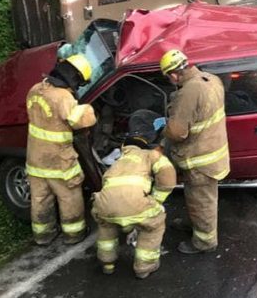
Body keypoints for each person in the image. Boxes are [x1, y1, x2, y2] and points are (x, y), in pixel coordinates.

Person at [91, 110, 176, 279]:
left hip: (103, 203)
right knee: (153, 225)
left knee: (107, 227)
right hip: (135, 204)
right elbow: (168, 179)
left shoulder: (119, 159)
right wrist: (156, 200)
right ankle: (144, 266)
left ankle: (107, 263)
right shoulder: (152, 155)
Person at [160, 48, 229, 254]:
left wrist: (163, 129)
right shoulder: (211, 79)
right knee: (197, 199)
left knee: (202, 202)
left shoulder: (188, 93)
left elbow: (176, 132)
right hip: (213, 154)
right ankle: (195, 225)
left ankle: (204, 242)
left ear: (173, 74)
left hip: (200, 161)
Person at [25, 54, 97, 245]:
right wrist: (88, 108)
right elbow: (81, 121)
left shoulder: (34, 90)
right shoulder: (63, 97)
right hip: (58, 160)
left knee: (40, 198)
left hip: (35, 159)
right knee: (69, 197)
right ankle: (74, 234)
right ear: (74, 77)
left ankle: (43, 236)